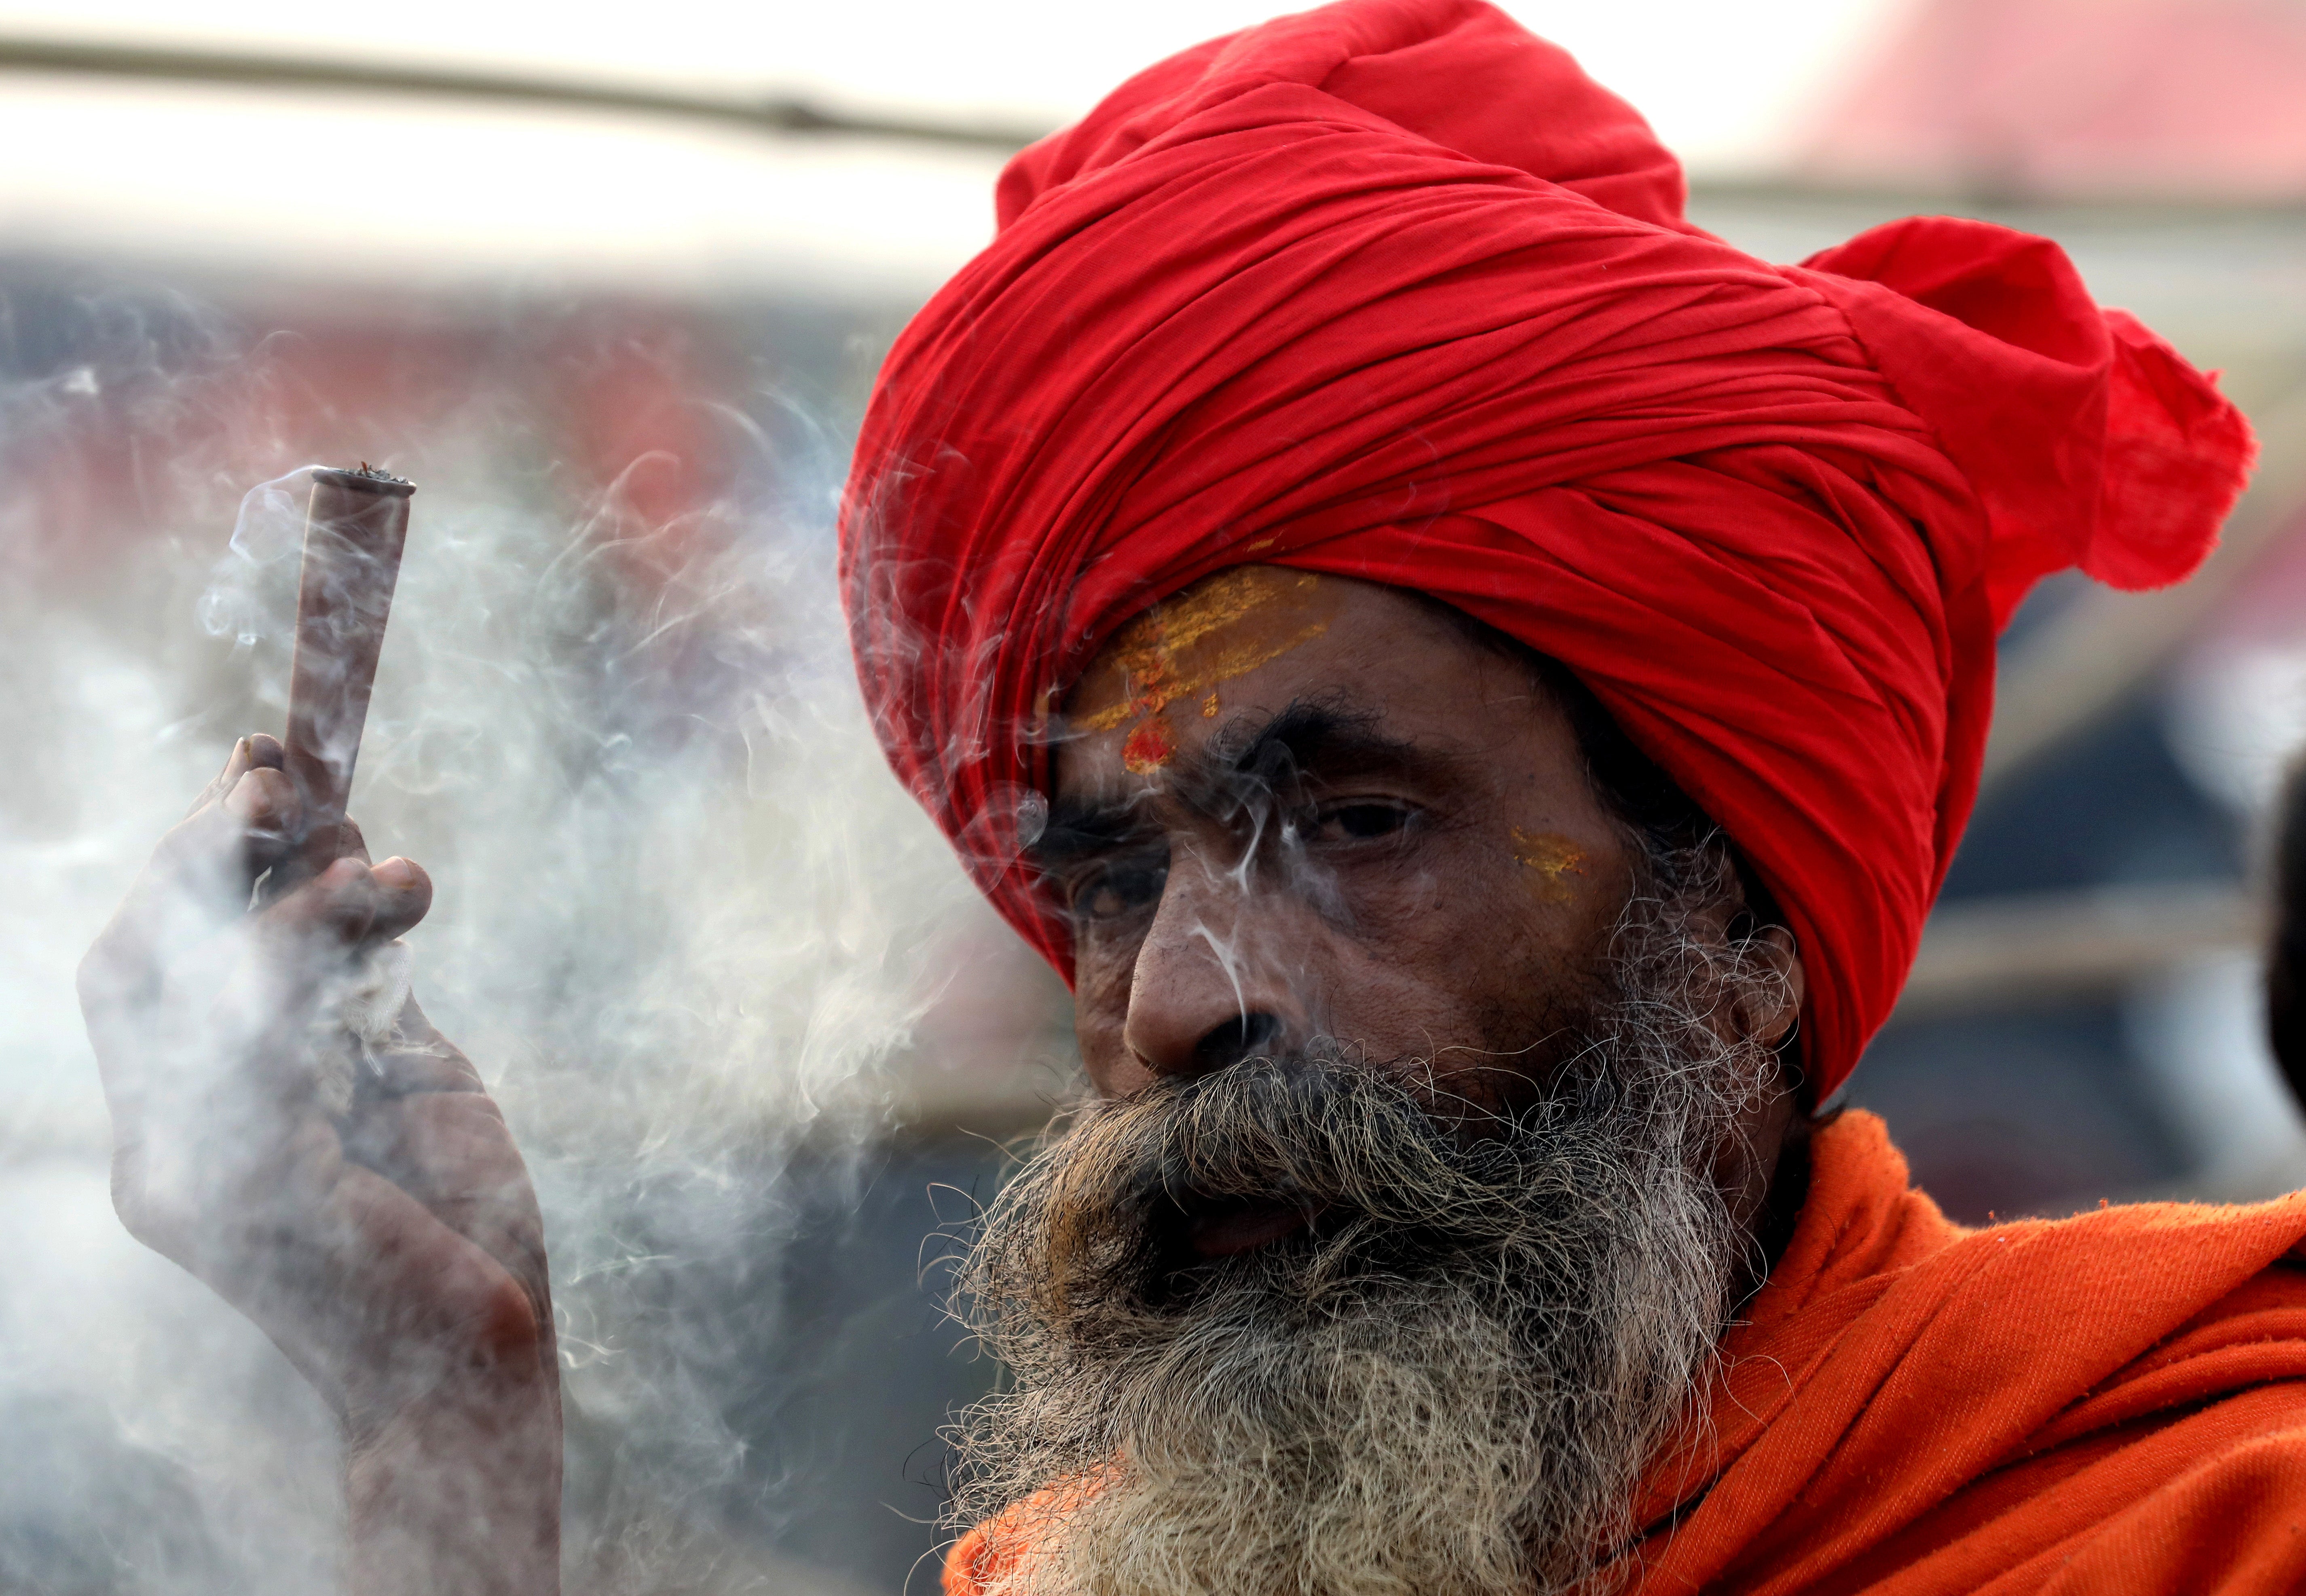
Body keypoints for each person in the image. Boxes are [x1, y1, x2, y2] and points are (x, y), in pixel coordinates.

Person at [77, 1, 2306, 1592]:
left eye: (1351, 825)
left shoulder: (2196, 1515)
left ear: (1725, 931)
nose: (1175, 1004)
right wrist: (446, 1417)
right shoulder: (1076, 1578)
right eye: (1110, 876)